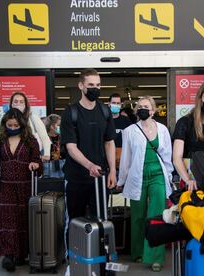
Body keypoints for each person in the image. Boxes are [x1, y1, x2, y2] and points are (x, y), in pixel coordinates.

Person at [61, 68, 117, 248]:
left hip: (100, 180)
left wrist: (113, 171)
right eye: (91, 85)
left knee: (100, 222)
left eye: (98, 85)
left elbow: (109, 143)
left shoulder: (105, 112)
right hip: (76, 179)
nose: (95, 88)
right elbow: (71, 147)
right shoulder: (71, 112)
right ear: (81, 86)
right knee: (75, 223)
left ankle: (99, 263)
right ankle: (74, 263)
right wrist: (89, 165)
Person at [117, 96, 173, 272]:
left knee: (156, 215)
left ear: (153, 110)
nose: (142, 109)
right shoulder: (129, 131)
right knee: (138, 216)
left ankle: (156, 258)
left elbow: (167, 155)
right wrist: (121, 180)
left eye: (146, 107)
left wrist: (169, 177)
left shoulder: (163, 129)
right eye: (140, 106)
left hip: (157, 175)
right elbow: (125, 159)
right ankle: (138, 252)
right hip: (137, 177)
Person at [0, 108, 43, 272]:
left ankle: (21, 254)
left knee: (23, 221)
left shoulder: (30, 140)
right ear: (4, 124)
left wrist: (36, 164)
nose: (13, 127)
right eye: (9, 124)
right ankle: (8, 255)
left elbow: (37, 160)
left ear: (22, 125)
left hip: (25, 187)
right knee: (7, 222)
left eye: (16, 124)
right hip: (5, 187)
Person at [9, 92, 51, 161]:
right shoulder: (7, 119)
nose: (18, 104)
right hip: (14, 159)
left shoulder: (33, 118)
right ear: (11, 104)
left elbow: (45, 138)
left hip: (33, 158)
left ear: (25, 105)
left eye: (21, 102)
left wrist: (46, 155)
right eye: (15, 102)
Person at [108, 93, 132, 168]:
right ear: (109, 104)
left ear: (121, 105)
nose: (116, 105)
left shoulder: (126, 121)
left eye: (118, 103)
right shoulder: (104, 120)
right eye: (114, 103)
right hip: (107, 160)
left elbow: (131, 139)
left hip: (123, 160)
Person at [43, 113, 64, 178]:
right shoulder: (43, 138)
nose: (61, 127)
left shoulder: (63, 138)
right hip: (48, 173)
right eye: (59, 125)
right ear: (52, 126)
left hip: (62, 173)